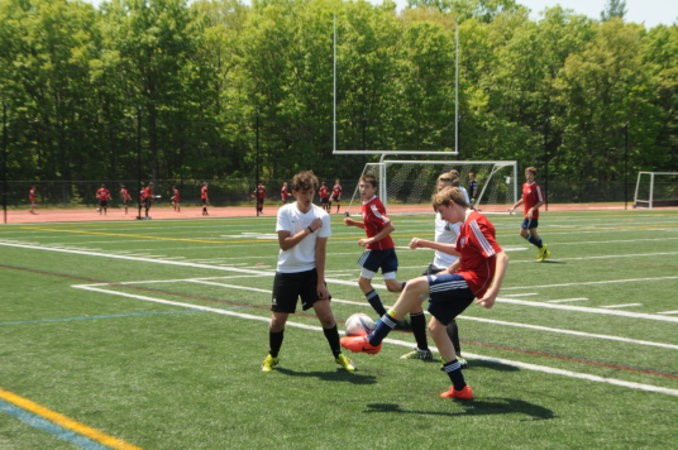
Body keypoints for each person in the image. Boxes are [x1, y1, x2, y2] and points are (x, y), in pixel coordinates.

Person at [341, 186, 509, 400]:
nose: (443, 218)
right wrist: (429, 247)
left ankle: (374, 339)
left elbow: (501, 256)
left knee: (414, 286)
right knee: (436, 328)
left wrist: (493, 291)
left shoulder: (475, 222)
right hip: (466, 278)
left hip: (471, 282)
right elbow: (462, 252)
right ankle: (460, 388)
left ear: (452, 204)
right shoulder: (467, 223)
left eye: (442, 212)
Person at [261, 170, 356, 373]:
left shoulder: (322, 215)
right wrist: (309, 229)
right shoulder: (285, 212)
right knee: (278, 320)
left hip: (310, 272)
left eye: (311, 192)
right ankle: (273, 355)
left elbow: (320, 250)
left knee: (327, 316)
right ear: (295, 192)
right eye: (303, 192)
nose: (308, 196)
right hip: (287, 272)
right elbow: (285, 244)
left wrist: (321, 282)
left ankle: (338, 355)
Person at [403, 172, 466, 365]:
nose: (440, 194)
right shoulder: (440, 212)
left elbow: (464, 249)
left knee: (444, 313)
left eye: (444, 190)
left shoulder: (455, 217)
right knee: (413, 301)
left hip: (449, 270)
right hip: (435, 265)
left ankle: (456, 355)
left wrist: (453, 269)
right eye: (439, 189)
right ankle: (422, 349)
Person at [343, 174, 407, 325]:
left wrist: (370, 240)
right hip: (386, 248)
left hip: (377, 250)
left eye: (367, 187)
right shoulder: (367, 203)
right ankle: (423, 288)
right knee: (393, 286)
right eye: (361, 186)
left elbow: (389, 227)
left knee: (363, 282)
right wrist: (355, 223)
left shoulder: (373, 206)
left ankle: (384, 317)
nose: (363, 189)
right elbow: (373, 226)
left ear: (374, 189)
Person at [509, 166, 550, 262]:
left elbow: (542, 201)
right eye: (527, 174)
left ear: (534, 176)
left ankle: (542, 248)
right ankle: (543, 251)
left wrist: (532, 209)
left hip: (532, 215)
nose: (528, 176)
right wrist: (514, 206)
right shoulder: (524, 185)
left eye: (530, 174)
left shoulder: (536, 187)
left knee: (522, 233)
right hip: (527, 214)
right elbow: (523, 199)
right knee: (534, 235)